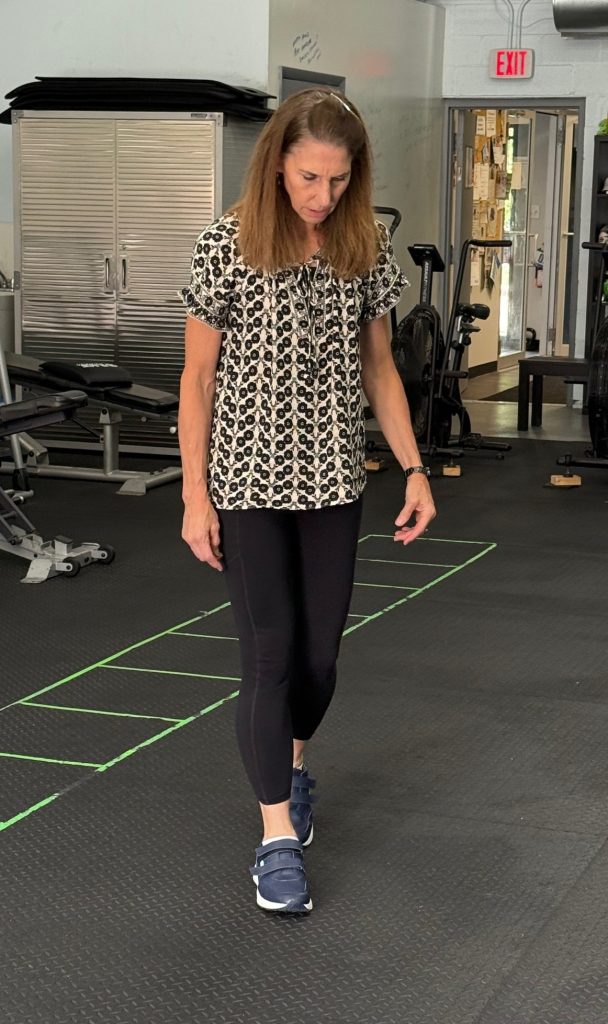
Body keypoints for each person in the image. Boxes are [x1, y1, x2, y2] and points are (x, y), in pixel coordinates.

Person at [178, 88, 436, 914]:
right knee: (270, 655)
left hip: (332, 480)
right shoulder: (226, 245)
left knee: (320, 663)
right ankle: (275, 837)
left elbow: (380, 366)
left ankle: (292, 768)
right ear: (276, 165)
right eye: (307, 177)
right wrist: (194, 494)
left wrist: (415, 468)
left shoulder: (366, 244)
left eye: (337, 178)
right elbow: (198, 378)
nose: (321, 195)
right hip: (247, 481)